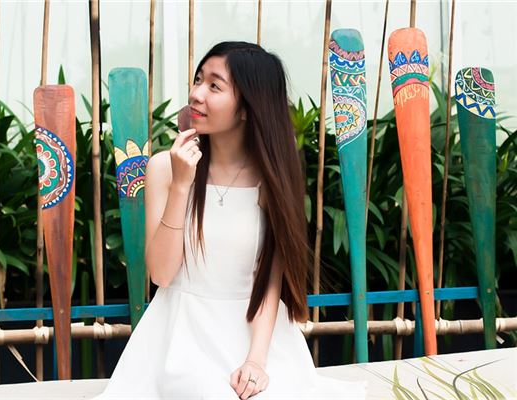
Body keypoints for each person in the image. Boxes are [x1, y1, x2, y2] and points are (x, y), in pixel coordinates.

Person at [94, 41, 366, 399]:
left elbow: (269, 280)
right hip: (181, 337)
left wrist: (256, 361)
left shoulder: (271, 179)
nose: (196, 94)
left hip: (258, 336)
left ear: (247, 108)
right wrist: (181, 185)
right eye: (198, 80)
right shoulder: (164, 167)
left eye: (214, 86)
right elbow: (160, 274)